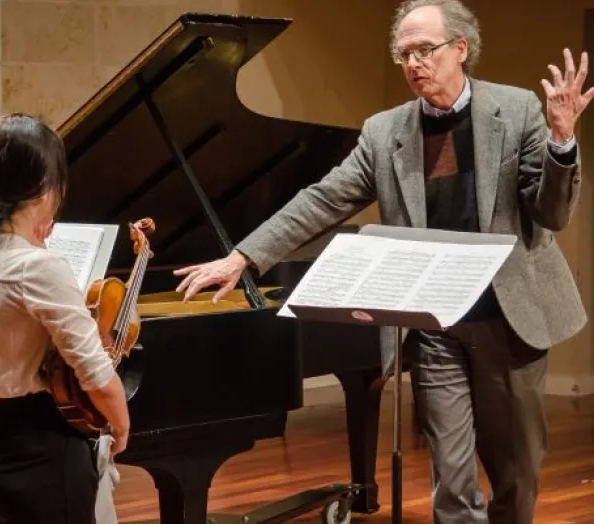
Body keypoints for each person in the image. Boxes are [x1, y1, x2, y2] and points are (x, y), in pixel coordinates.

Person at [173, 1, 592, 523]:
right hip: (435, 326)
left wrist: (561, 140)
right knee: (451, 477)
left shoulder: (519, 110)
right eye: (404, 54)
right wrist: (244, 256)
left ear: (460, 49)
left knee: (516, 472)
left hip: (508, 320)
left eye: (425, 50)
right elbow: (322, 199)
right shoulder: (383, 131)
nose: (414, 62)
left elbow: (551, 214)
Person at [0, 113, 130, 524]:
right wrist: (121, 423)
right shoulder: (38, 266)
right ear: (48, 189)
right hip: (45, 460)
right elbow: (94, 373)